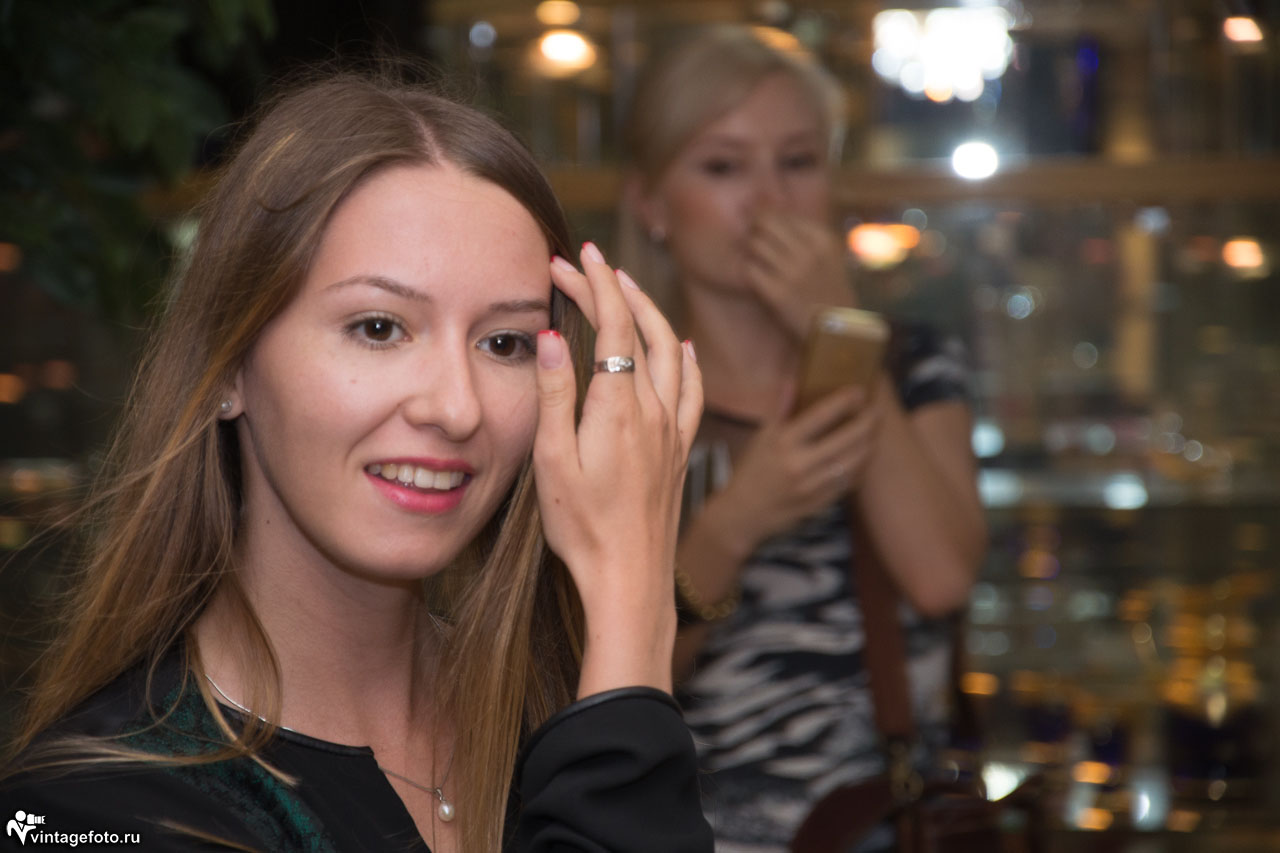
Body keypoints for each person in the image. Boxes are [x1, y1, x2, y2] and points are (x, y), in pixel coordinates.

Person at [1, 69, 711, 853]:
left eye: (503, 342)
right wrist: (631, 619)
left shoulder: (554, 723)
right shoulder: (92, 807)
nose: (456, 407)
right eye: (379, 328)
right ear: (229, 367)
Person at [618, 26, 988, 851]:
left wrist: (839, 331)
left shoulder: (913, 364)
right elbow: (603, 684)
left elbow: (939, 578)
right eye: (723, 167)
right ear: (651, 204)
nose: (768, 200)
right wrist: (736, 520)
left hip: (890, 827)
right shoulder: (620, 395)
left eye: (798, 161)